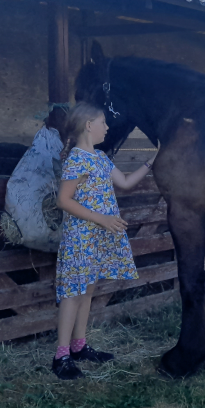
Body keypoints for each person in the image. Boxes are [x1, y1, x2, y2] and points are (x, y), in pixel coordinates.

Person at [51, 103, 154, 380]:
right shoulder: (77, 159)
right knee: (72, 293)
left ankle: (79, 346)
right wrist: (102, 218)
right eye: (103, 123)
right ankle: (61, 356)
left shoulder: (101, 158)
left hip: (97, 238)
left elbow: (126, 182)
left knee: (87, 290)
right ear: (88, 125)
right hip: (81, 238)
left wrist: (151, 160)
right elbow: (63, 200)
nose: (107, 128)